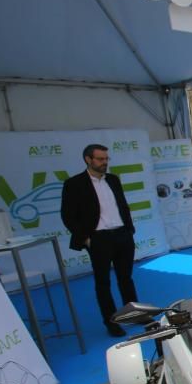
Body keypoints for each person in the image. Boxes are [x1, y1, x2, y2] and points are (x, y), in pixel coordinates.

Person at [60, 144, 138, 337]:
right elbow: (68, 216)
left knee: (126, 279)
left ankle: (136, 314)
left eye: (106, 159)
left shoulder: (113, 180)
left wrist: (129, 229)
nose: (105, 163)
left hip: (122, 235)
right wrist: (86, 239)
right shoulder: (74, 184)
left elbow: (123, 206)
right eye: (101, 159)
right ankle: (112, 322)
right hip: (99, 238)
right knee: (103, 283)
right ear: (88, 159)